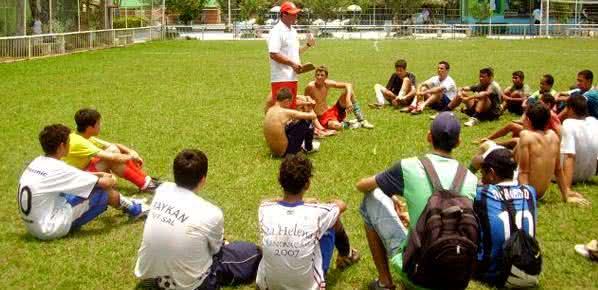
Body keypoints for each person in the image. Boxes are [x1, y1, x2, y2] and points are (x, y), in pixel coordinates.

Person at [355, 112, 478, 290]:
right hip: (457, 276)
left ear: (429, 136)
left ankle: (384, 283)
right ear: (458, 142)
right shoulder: (470, 178)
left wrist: (390, 193)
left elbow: (362, 185)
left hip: (418, 273)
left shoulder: (409, 166)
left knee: (370, 198)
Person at [135, 149, 262, 290]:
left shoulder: (163, 190)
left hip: (148, 274)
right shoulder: (211, 212)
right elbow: (216, 250)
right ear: (202, 179)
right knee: (251, 253)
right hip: (191, 285)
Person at [18, 124, 148, 240]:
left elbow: (76, 176)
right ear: (62, 146)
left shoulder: (38, 162)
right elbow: (106, 184)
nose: (70, 144)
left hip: (34, 225)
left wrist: (98, 174)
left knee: (86, 187)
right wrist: (111, 178)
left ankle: (131, 204)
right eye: (69, 141)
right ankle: (136, 209)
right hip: (50, 228)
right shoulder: (59, 168)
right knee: (101, 191)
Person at [256, 154, 360, 290]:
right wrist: (310, 202)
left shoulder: (265, 209)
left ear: (279, 180)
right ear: (307, 184)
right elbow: (341, 205)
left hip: (267, 286)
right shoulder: (318, 213)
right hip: (307, 287)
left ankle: (345, 254)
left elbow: (265, 201)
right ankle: (346, 254)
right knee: (332, 223)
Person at [474, 148, 538, 285]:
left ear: (491, 173)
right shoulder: (530, 191)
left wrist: (472, 169)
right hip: (529, 268)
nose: (482, 179)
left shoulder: (483, 193)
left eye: (483, 174)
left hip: (491, 273)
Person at [63, 108, 160, 192]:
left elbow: (114, 146)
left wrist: (130, 151)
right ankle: (145, 183)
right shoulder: (79, 142)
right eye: (98, 123)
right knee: (113, 158)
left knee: (114, 151)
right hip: (76, 180)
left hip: (84, 170)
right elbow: (113, 156)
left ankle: (145, 180)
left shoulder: (81, 136)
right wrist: (131, 157)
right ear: (89, 128)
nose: (100, 126)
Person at [515, 103, 589, 204]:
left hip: (526, 192)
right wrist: (566, 195)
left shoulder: (526, 136)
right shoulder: (553, 136)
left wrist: (527, 200)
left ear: (528, 120)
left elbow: (523, 172)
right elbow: (558, 170)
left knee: (487, 146)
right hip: (540, 194)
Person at [266, 1, 315, 110]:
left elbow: (294, 52)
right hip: (281, 77)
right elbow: (273, 54)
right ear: (284, 14)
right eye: (292, 13)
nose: (295, 16)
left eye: (296, 13)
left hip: (292, 76)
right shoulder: (276, 31)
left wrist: (307, 45)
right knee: (282, 110)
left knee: (291, 108)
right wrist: (292, 63)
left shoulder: (293, 31)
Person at [476, 94, 561, 148]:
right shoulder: (542, 112)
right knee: (511, 125)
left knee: (515, 140)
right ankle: (488, 139)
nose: (538, 103)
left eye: (540, 102)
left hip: (542, 138)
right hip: (536, 132)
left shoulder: (551, 115)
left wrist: (551, 140)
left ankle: (493, 144)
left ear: (548, 104)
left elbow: (559, 130)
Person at [304, 65, 374, 130]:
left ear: (326, 77)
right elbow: (306, 105)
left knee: (349, 92)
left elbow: (348, 85)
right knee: (337, 126)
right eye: (317, 75)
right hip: (321, 118)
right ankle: (354, 124)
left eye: (322, 75)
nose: (319, 77)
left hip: (331, 111)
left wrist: (348, 100)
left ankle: (361, 120)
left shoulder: (327, 83)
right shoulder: (310, 87)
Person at [559, 95, 598, 195]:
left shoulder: (568, 124)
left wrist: (567, 188)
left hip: (571, 175)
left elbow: (570, 156)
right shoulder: (594, 122)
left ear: (570, 109)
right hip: (589, 175)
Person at [264, 88, 320, 157]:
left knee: (293, 123)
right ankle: (309, 148)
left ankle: (304, 146)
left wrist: (304, 103)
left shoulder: (270, 110)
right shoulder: (284, 112)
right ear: (287, 101)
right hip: (285, 152)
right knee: (306, 121)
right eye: (290, 102)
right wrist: (310, 108)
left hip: (274, 152)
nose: (290, 105)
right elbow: (313, 116)